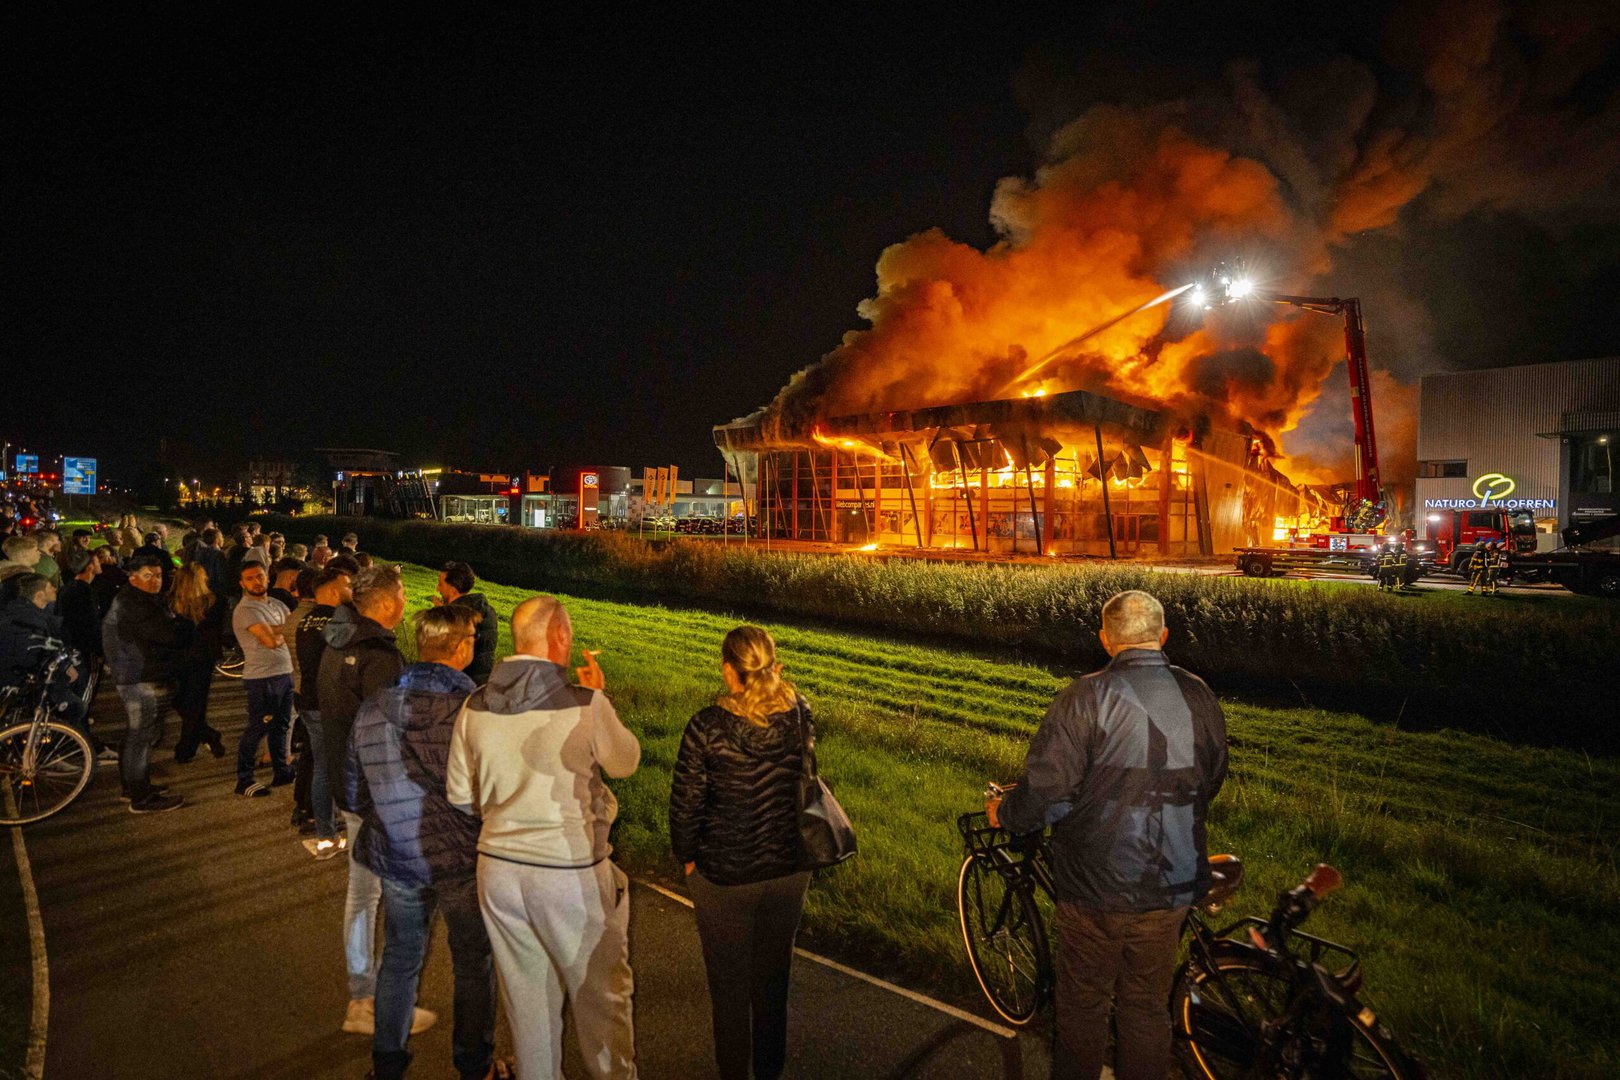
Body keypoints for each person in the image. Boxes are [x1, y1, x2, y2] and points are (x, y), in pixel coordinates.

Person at [989, 590, 1226, 1080]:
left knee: (1083, 1005)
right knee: (1145, 1006)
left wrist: (1005, 814)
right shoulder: (1198, 693)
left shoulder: (1085, 697)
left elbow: (1049, 792)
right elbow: (1212, 777)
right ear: (1162, 638)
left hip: (1095, 886)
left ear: (1105, 640)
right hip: (1171, 883)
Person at [448, 594, 640, 1080]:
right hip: (569, 870)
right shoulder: (585, 703)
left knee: (528, 1011)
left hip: (498, 870)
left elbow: (459, 795)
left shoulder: (473, 704)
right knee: (602, 1007)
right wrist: (604, 696)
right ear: (558, 636)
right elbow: (625, 762)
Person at [347, 606, 496, 1080]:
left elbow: (352, 791)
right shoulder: (477, 713)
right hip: (462, 860)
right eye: (472, 637)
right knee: (473, 963)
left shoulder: (374, 707)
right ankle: (474, 1064)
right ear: (461, 648)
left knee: (400, 957)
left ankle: (387, 1064)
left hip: (398, 855)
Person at [669, 625, 813, 1080]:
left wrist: (688, 858)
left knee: (729, 990)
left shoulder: (707, 726)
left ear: (730, 672)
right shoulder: (800, 715)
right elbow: (805, 788)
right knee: (773, 983)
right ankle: (769, 1072)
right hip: (789, 869)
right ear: (773, 666)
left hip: (725, 879)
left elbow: (686, 805)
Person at [319, 563, 415, 1034]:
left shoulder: (337, 640)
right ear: (384, 603)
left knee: (363, 894)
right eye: (401, 594)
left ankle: (363, 996)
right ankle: (376, 1003)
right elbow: (390, 736)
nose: (406, 602)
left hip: (347, 783)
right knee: (390, 898)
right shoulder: (379, 655)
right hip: (377, 794)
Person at [102, 554, 186, 813]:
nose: (155, 582)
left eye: (159, 575)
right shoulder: (138, 606)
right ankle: (141, 797)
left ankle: (134, 786)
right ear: (132, 577)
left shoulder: (132, 599)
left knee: (136, 735)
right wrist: (182, 622)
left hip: (134, 673)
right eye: (148, 576)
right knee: (141, 736)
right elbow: (168, 635)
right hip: (141, 677)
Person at [296, 566, 353, 853]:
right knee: (332, 768)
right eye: (347, 584)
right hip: (326, 705)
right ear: (332, 590)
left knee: (322, 766)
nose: (351, 589)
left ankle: (326, 827)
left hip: (308, 700)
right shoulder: (335, 622)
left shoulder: (306, 620)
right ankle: (328, 832)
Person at [232, 562, 296, 797]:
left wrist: (276, 630)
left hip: (284, 671)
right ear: (242, 583)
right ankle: (244, 779)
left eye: (259, 576)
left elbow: (283, 633)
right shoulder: (246, 610)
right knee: (259, 727)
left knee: (281, 725)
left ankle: (282, 770)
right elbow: (271, 641)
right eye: (249, 578)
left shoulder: (277, 605)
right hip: (262, 678)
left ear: (268, 577)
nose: (256, 581)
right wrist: (284, 631)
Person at [169, 564, 226, 763]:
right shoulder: (214, 602)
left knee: (187, 702)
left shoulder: (176, 605)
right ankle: (205, 736)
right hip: (202, 658)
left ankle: (187, 747)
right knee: (193, 703)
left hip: (186, 658)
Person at [435, 562, 496, 685]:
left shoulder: (455, 618)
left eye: (441, 584)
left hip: (460, 687)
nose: (437, 589)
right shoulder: (487, 612)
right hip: (483, 685)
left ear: (452, 589)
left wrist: (443, 615)